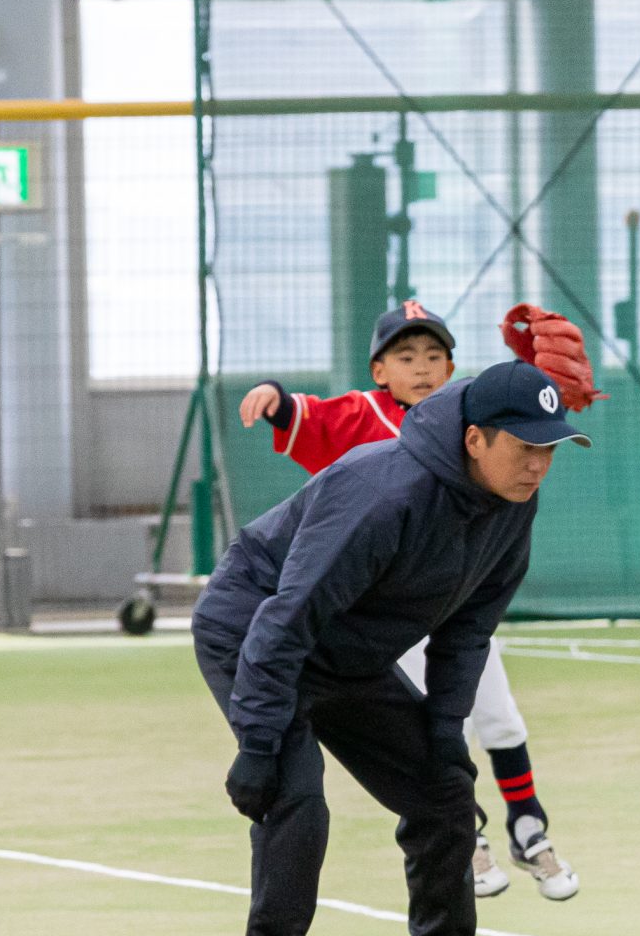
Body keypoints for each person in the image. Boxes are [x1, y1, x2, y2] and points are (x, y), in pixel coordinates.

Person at [195, 360, 589, 936]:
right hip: (254, 626)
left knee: (444, 792)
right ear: (475, 440)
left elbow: (467, 631)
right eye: (525, 447)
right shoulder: (384, 491)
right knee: (295, 795)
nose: (538, 465)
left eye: (548, 449)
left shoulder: (513, 509)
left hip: (348, 651)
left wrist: (442, 731)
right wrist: (258, 743)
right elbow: (286, 619)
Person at [237, 302, 578, 902]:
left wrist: (539, 389)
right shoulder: (360, 414)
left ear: (451, 367)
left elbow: (522, 424)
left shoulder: (480, 423)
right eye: (404, 355)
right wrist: (274, 395)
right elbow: (304, 415)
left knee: (496, 711)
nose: (421, 367)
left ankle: (528, 824)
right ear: (378, 370)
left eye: (433, 355)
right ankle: (465, 835)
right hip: (379, 613)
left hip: (450, 598)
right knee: (441, 729)